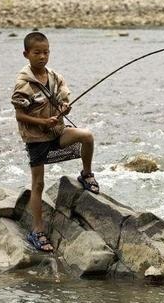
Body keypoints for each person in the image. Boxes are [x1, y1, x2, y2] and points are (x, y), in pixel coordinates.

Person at [11, 32, 100, 252]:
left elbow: (64, 97)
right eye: (37, 53)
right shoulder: (23, 84)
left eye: (46, 52)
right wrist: (42, 121)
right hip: (36, 140)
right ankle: (37, 231)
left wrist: (64, 108)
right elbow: (19, 116)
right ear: (26, 54)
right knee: (38, 185)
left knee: (86, 136)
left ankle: (86, 174)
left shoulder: (54, 77)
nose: (42, 57)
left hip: (57, 133)